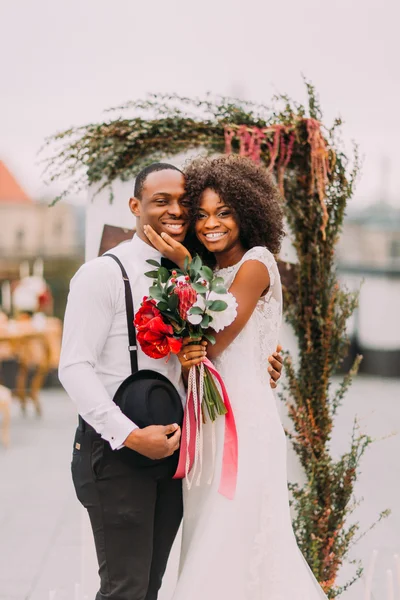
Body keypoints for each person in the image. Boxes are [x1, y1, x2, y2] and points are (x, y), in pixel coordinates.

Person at [58, 162, 283, 600]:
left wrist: (261, 360)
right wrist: (128, 435)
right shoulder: (102, 275)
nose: (177, 211)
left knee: (149, 588)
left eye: (185, 202)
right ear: (135, 206)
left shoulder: (190, 273)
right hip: (117, 452)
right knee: (125, 589)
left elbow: (219, 340)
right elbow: (73, 368)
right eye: (162, 201)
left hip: (175, 453)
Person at [143, 155, 328, 600]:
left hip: (242, 421)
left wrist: (185, 262)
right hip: (204, 424)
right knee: (208, 535)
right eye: (201, 214)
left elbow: (216, 338)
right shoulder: (206, 270)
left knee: (236, 537)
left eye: (223, 212)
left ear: (247, 212)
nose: (211, 224)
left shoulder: (257, 263)